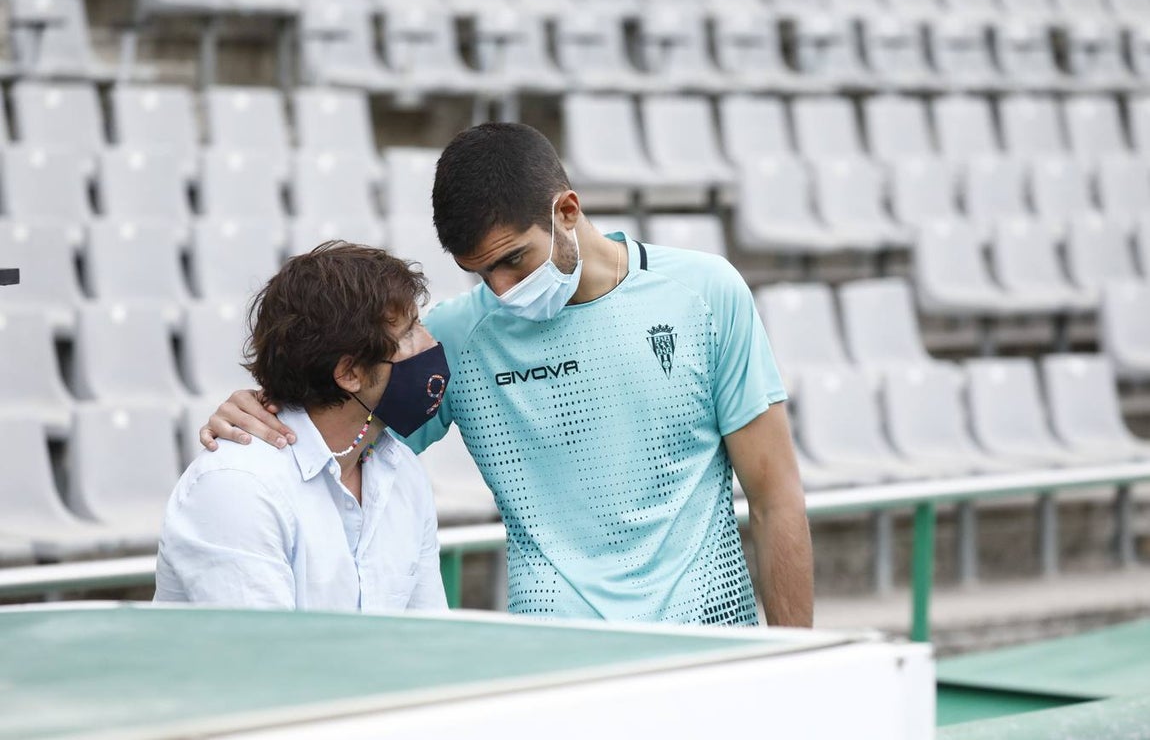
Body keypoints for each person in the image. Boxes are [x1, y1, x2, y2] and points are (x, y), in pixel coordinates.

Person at [201, 123, 813, 627]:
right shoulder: (458, 336)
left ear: (566, 211)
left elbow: (775, 496)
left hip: (709, 637)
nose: (502, 290)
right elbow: (341, 429)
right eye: (480, 273)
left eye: (513, 261)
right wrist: (261, 410)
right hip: (554, 656)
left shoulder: (705, 292)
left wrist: (801, 667)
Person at [155, 242, 448, 612]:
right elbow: (266, 661)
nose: (430, 343)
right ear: (349, 373)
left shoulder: (402, 470)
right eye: (408, 334)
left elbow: (427, 642)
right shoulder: (238, 486)